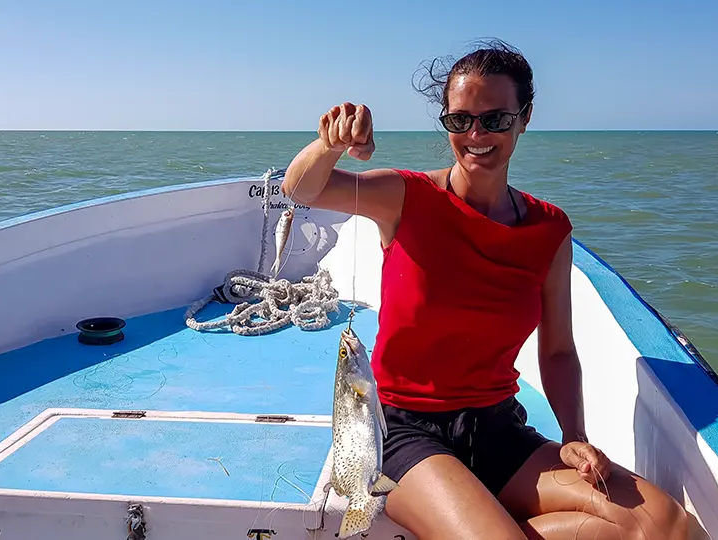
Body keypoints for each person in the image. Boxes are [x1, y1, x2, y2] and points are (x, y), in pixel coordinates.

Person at [282, 39, 689, 540]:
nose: (476, 134)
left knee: (666, 524)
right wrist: (331, 143)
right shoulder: (406, 197)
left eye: (495, 119)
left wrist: (573, 437)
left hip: (498, 430)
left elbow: (559, 349)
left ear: (525, 117)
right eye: (460, 120)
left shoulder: (549, 229)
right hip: (404, 431)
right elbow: (300, 189)